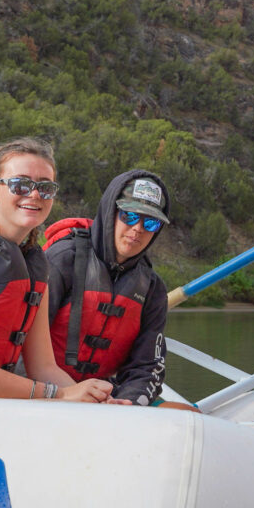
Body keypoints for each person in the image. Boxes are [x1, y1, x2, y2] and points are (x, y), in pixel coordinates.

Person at [0, 138, 113, 402]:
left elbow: (43, 368)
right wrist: (59, 395)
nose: (35, 194)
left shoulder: (34, 261)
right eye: (21, 184)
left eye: (45, 187)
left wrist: (96, 400)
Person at [44, 170, 171, 406]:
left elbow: (148, 366)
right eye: (130, 216)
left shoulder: (152, 289)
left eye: (151, 222)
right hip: (46, 394)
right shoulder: (62, 260)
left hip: (107, 402)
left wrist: (129, 401)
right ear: (110, 213)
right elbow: (21, 346)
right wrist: (63, 393)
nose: (138, 229)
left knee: (187, 414)